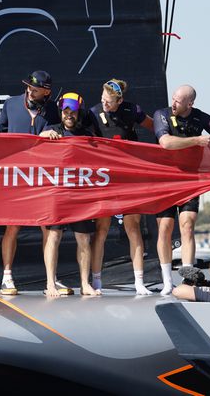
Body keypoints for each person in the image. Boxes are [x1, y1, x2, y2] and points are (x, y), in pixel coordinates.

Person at [153, 85, 210, 296]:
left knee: (187, 226)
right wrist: (197, 141)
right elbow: (165, 143)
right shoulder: (161, 114)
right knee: (165, 228)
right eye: (173, 98)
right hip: (165, 180)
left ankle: (188, 280)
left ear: (190, 104)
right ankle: (167, 281)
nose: (174, 103)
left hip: (190, 180)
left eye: (178, 101)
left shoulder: (202, 118)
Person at [0, 70, 60, 295]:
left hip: (42, 176)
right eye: (28, 86)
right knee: (13, 225)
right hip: (16, 176)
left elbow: (60, 130)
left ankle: (51, 279)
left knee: (47, 227)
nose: (30, 90)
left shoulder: (52, 109)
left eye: (35, 88)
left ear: (46, 92)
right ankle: (7, 277)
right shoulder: (11, 104)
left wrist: (54, 131)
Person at [89, 79, 154, 295]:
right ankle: (97, 281)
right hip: (105, 178)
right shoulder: (93, 113)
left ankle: (139, 282)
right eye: (102, 99)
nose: (104, 104)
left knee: (133, 227)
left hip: (128, 177)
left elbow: (155, 126)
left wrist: (168, 139)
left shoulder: (132, 110)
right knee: (101, 229)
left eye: (108, 102)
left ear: (120, 100)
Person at [40, 92, 102, 297]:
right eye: (65, 110)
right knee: (53, 236)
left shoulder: (87, 135)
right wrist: (42, 136)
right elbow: (31, 146)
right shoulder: (51, 130)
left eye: (72, 111)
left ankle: (85, 284)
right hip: (56, 194)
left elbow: (100, 160)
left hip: (80, 195)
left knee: (83, 239)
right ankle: (50, 283)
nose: (68, 114)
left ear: (79, 113)